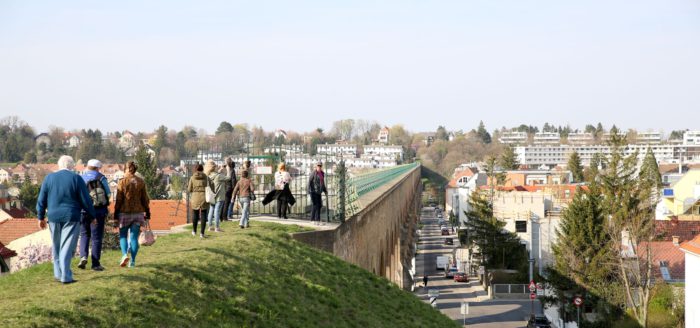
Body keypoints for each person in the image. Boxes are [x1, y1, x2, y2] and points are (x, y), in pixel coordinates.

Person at [36, 155, 96, 284]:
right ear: (72, 166)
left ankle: (58, 274)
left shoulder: (49, 178)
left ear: (59, 165)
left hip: (53, 216)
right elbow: (86, 200)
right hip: (71, 216)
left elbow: (41, 199)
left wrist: (40, 217)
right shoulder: (76, 178)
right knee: (67, 247)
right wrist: (92, 215)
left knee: (57, 245)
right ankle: (66, 276)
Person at [114, 161, 150, 268]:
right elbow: (145, 199)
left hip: (124, 213)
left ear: (126, 169)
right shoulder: (141, 182)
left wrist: (116, 214)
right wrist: (147, 212)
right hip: (138, 213)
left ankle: (125, 254)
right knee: (134, 238)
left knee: (123, 236)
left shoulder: (122, 182)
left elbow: (119, 200)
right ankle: (133, 261)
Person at [78, 159, 111, 271]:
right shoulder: (101, 178)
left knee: (84, 234)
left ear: (88, 167)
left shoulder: (81, 177)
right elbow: (108, 193)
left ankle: (83, 256)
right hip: (98, 211)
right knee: (96, 238)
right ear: (98, 168)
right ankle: (95, 264)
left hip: (83, 211)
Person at [204, 160, 231, 232]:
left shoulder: (208, 176)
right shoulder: (218, 176)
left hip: (212, 196)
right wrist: (228, 170)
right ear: (214, 167)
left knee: (211, 210)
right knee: (217, 211)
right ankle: (217, 227)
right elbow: (228, 178)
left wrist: (219, 171)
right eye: (216, 166)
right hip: (219, 197)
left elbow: (215, 176)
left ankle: (210, 226)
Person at [188, 163, 211, 238]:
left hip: (195, 197)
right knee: (204, 215)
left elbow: (189, 189)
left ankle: (194, 231)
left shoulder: (192, 178)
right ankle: (202, 233)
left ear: (195, 169)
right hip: (204, 197)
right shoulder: (206, 177)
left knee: (195, 214)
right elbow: (210, 186)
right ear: (202, 169)